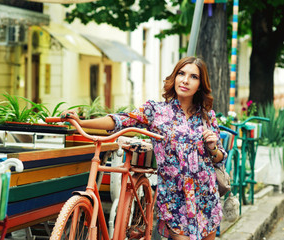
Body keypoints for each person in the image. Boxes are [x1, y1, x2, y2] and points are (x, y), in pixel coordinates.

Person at [61, 56, 227, 240]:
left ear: (200, 84)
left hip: (205, 195)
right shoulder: (156, 111)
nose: (185, 80)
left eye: (193, 77)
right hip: (174, 198)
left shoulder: (206, 116)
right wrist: (82, 122)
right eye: (181, 73)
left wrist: (213, 148)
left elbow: (219, 157)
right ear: (174, 77)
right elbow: (120, 120)